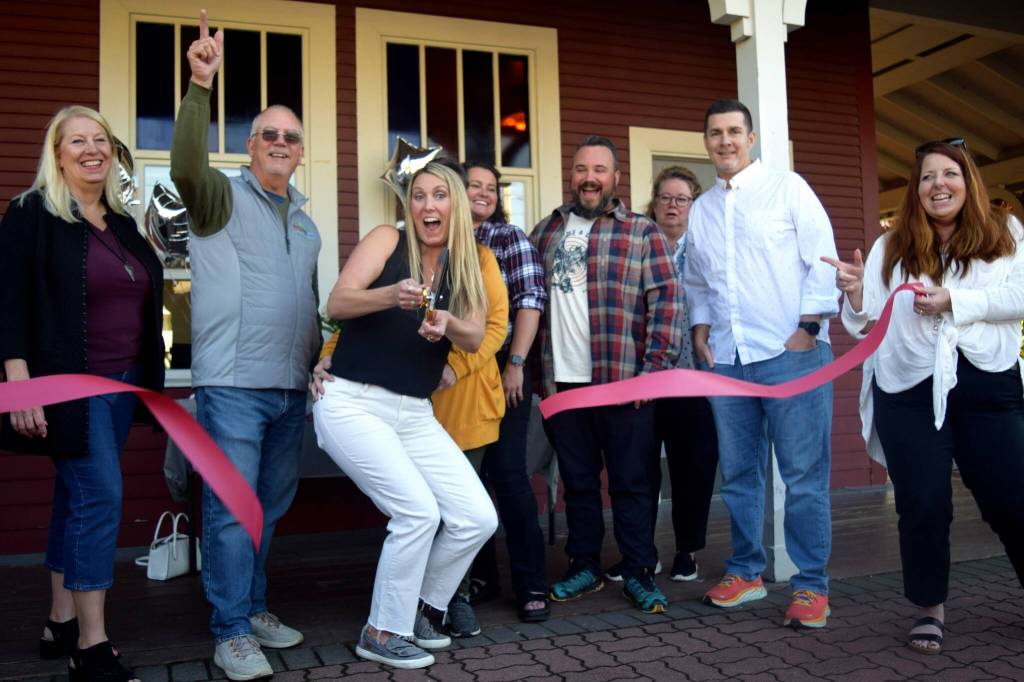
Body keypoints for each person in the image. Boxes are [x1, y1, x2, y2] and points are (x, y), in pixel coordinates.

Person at [826, 139, 1024, 654]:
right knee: (923, 503)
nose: (939, 184)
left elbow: (1018, 295)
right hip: (908, 389)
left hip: (987, 385)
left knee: (1013, 499)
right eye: (927, 177)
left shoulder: (1005, 234)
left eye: (949, 174)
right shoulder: (889, 247)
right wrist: (852, 295)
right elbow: (865, 321)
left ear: (969, 181)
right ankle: (929, 608)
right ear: (916, 192)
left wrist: (956, 300)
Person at [171, 12, 321, 680]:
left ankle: (253, 608)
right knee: (232, 511)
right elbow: (182, 164)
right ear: (250, 146)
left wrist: (322, 358)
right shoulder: (218, 200)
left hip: (291, 389)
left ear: (300, 149)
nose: (281, 142)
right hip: (232, 383)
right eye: (269, 134)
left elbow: (308, 305)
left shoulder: (309, 226)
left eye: (291, 135)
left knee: (267, 508)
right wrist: (201, 85)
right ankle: (229, 630)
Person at [0, 106, 164, 682]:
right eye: (78, 141)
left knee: (76, 498)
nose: (91, 148)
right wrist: (18, 386)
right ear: (58, 152)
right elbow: (9, 303)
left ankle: (60, 620)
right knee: (100, 499)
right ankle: (90, 648)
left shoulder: (118, 221)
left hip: (121, 385)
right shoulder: (31, 214)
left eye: (101, 139)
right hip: (71, 383)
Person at [313, 162, 499, 670]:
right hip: (351, 400)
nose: (427, 206)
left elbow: (476, 337)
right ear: (408, 205)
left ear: (454, 205)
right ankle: (381, 630)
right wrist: (389, 296)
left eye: (439, 195)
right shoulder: (386, 241)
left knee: (476, 517)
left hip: (413, 411)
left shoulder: (471, 262)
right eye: (418, 196)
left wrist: (446, 322)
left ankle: (420, 609)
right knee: (418, 512)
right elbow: (338, 301)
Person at [684, 99, 839, 628]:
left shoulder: (788, 188)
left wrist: (810, 329)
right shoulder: (702, 210)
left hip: (791, 356)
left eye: (733, 132)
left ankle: (811, 586)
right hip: (728, 360)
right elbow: (699, 282)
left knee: (803, 475)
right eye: (714, 134)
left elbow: (822, 258)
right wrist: (701, 331)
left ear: (750, 138)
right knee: (740, 476)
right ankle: (747, 573)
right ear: (705, 142)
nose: (723, 141)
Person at [532, 135, 681, 614]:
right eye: (580, 169)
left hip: (623, 382)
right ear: (571, 175)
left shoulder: (641, 232)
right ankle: (584, 566)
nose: (589, 177)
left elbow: (666, 302)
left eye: (599, 169)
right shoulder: (547, 231)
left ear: (616, 178)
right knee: (577, 480)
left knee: (630, 481)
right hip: (562, 384)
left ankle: (638, 571)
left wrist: (652, 373)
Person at [605, 166, 720, 585]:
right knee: (636, 468)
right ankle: (641, 553)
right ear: (653, 203)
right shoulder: (635, 243)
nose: (673, 206)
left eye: (682, 199)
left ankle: (687, 550)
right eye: (665, 198)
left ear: (694, 205)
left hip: (693, 375)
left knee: (693, 466)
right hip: (643, 374)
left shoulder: (707, 249)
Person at [460, 162, 550, 623]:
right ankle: (481, 579)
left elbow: (530, 302)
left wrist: (516, 364)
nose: (483, 193)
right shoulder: (443, 242)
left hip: (502, 366)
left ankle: (532, 582)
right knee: (467, 481)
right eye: (473, 185)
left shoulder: (509, 239)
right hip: (455, 373)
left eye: (491, 187)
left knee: (509, 475)